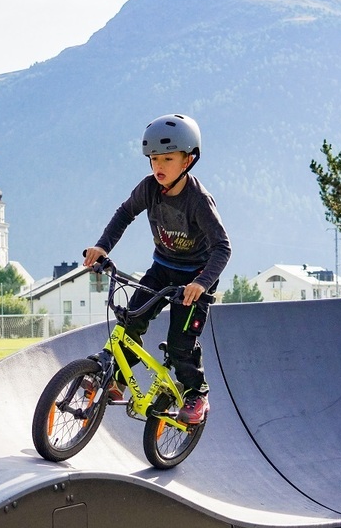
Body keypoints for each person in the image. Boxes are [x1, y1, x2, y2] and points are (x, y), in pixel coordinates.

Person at [83, 113, 231, 424]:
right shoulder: (149, 189)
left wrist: (202, 283)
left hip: (195, 280)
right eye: (154, 159)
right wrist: (102, 247)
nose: (158, 166)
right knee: (130, 320)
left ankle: (197, 394)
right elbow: (124, 214)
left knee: (180, 346)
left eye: (167, 159)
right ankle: (117, 380)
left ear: (187, 161)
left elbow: (222, 248)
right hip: (162, 269)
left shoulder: (198, 201)